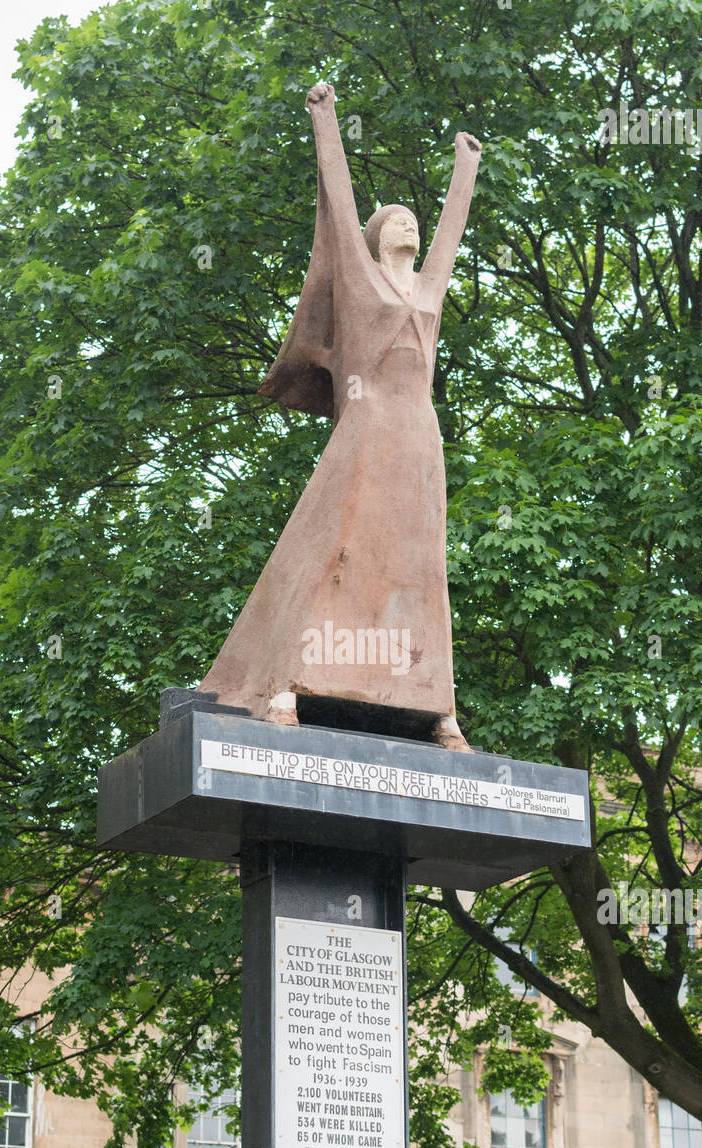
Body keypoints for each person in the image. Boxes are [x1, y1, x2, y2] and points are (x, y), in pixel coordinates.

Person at [198, 82, 481, 750]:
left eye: (416, 220)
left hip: (419, 435)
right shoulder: (358, 274)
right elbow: (342, 199)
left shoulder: (429, 285)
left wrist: (466, 166)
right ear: (378, 239)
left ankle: (439, 708)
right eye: (399, 221)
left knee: (422, 567)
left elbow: (452, 233)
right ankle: (289, 683)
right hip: (368, 427)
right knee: (338, 550)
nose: (411, 226)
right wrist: (325, 120)